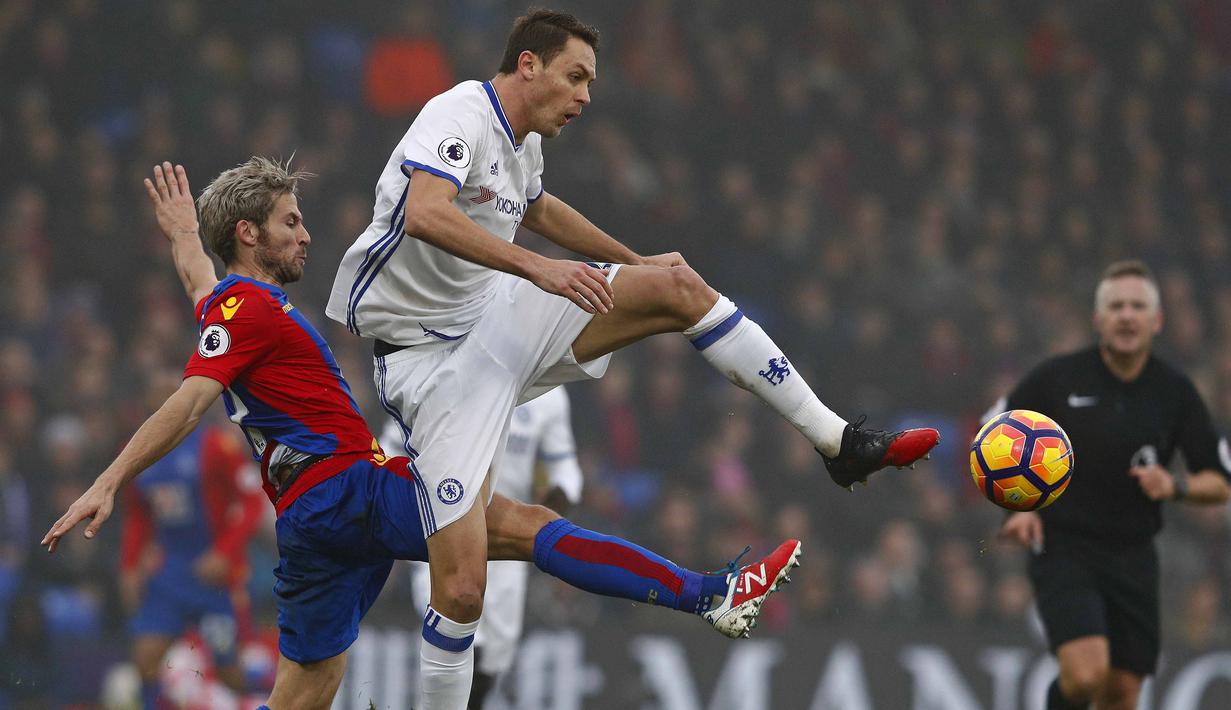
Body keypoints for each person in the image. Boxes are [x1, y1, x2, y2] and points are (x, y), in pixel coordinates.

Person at [326, 10, 938, 703]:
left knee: (677, 287)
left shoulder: (520, 140)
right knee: (464, 589)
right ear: (528, 64)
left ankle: (837, 442)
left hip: (495, 317)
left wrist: (632, 261)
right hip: (430, 362)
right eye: (575, 76)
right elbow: (423, 213)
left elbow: (538, 207)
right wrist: (540, 270)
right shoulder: (459, 111)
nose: (586, 95)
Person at [41, 159, 802, 710]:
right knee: (525, 527)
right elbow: (189, 399)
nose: (305, 235)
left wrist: (182, 234)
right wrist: (109, 481)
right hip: (352, 490)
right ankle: (711, 595)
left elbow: (200, 284)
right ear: (249, 234)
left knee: (306, 690)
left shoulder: (230, 307)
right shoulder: (253, 312)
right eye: (289, 222)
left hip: (310, 521)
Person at [994, 260, 1231, 710]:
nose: (1126, 315)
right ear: (1098, 319)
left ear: (1157, 320)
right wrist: (1018, 507)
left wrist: (1176, 486)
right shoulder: (1056, 379)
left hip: (1134, 554)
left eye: (1137, 306)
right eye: (1116, 306)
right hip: (1065, 545)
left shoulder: (1175, 391)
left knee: (1121, 693)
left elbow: (1220, 481)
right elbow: (994, 434)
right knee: (1085, 676)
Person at [392, 385, 584, 709]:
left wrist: (555, 505)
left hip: (507, 539)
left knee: (490, 663)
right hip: (443, 523)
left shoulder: (550, 395)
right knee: (459, 642)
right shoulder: (450, 371)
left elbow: (565, 469)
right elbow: (391, 445)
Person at [120, 367, 266, 709]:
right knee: (145, 658)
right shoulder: (137, 451)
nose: (165, 399)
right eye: (157, 393)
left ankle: (260, 701)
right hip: (169, 573)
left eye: (172, 392)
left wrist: (223, 553)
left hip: (214, 577)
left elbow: (249, 503)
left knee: (229, 668)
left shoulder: (216, 445)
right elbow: (137, 517)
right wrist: (129, 566)